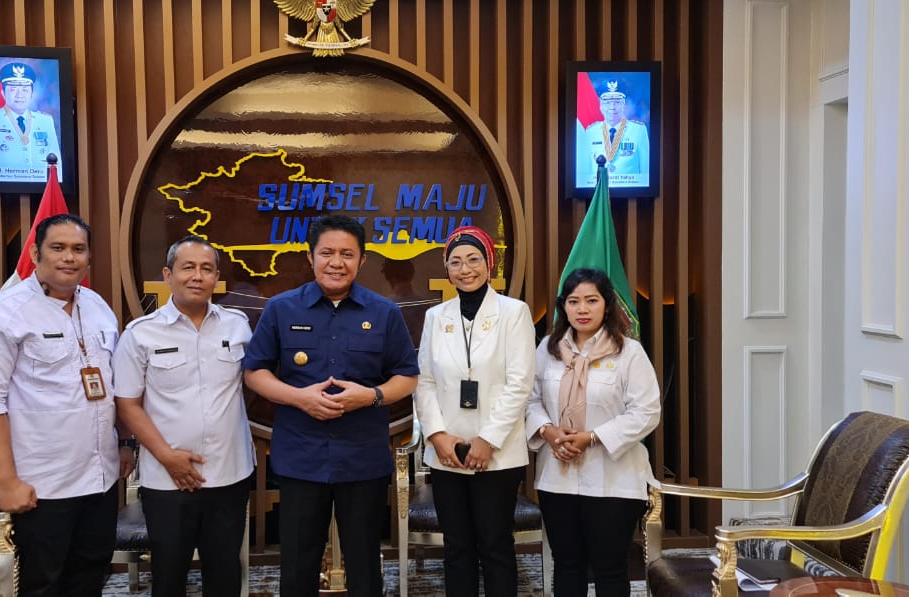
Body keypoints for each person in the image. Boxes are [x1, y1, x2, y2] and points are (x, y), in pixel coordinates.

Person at [242, 214, 419, 597]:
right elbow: (254, 372)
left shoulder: (384, 312)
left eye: (347, 254)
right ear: (310, 257)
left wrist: (370, 396)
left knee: (365, 570)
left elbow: (407, 377)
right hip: (301, 458)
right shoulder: (281, 309)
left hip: (363, 460)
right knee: (297, 569)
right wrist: (300, 398)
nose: (336, 262)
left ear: (362, 260)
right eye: (327, 253)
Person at [0, 213, 133, 597]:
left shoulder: (97, 306)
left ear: (89, 257)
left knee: (89, 576)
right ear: (35, 253)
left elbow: (113, 383)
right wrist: (7, 481)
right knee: (41, 583)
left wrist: (124, 443)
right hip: (41, 484)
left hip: (99, 476)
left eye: (78, 249)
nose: (69, 257)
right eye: (58, 248)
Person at [112, 235, 254, 596]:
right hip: (167, 479)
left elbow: (255, 381)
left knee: (225, 573)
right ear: (168, 275)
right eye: (187, 267)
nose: (197, 276)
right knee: (169, 575)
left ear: (217, 277)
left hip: (229, 472)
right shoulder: (141, 334)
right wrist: (166, 457)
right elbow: (127, 403)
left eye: (207, 269)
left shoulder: (238, 325)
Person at [414, 225, 536, 596]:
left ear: (489, 263)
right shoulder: (436, 316)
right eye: (456, 262)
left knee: (495, 544)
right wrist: (437, 436)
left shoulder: (514, 313)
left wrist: (487, 440)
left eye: (473, 259)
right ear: (446, 268)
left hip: (497, 453)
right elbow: (424, 381)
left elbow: (520, 384)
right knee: (456, 546)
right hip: (447, 452)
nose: (465, 269)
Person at [525, 267, 661, 597]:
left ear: (607, 305)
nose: (582, 309)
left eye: (591, 300)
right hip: (557, 475)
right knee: (567, 564)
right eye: (574, 301)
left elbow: (646, 411)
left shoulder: (629, 352)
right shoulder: (547, 349)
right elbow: (529, 400)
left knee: (609, 567)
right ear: (563, 306)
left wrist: (592, 437)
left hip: (613, 478)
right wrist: (549, 431)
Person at [0, 61, 62, 174]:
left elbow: (57, 167)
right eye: (13, 89)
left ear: (31, 94)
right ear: (3, 93)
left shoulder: (46, 121)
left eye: (25, 90)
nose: (19, 95)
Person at [577, 80, 650, 188]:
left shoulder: (639, 131)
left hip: (630, 191)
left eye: (617, 102)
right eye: (607, 103)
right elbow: (585, 172)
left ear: (624, 106)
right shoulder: (590, 132)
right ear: (601, 107)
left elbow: (646, 172)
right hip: (597, 192)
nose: (612, 107)